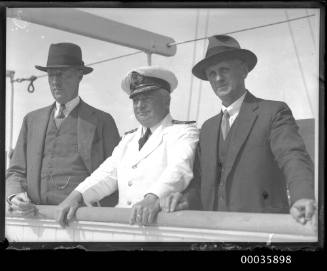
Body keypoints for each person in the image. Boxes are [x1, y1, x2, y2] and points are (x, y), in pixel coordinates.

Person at [160, 35, 316, 225]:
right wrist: (185, 199)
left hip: (262, 232)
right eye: (212, 73)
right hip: (215, 233)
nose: (218, 78)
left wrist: (302, 196)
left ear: (243, 70)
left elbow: (293, 157)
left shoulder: (273, 112)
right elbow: (200, 182)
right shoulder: (208, 128)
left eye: (224, 70)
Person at [55, 66, 199, 227]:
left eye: (147, 98)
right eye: (136, 100)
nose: (140, 105)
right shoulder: (129, 139)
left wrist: (152, 198)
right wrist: (76, 196)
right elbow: (107, 174)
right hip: (124, 226)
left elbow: (179, 169)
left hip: (159, 227)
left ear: (167, 100)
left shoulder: (183, 132)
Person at [6, 43, 121, 216]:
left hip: (80, 221)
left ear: (79, 75)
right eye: (51, 75)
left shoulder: (103, 122)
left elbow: (116, 174)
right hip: (35, 218)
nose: (55, 82)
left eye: (62, 74)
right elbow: (15, 171)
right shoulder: (32, 120)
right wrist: (14, 195)